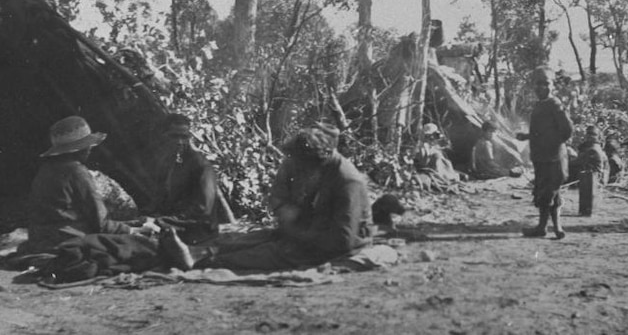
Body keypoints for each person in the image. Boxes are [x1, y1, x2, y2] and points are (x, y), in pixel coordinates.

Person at [161, 126, 374, 271]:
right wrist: (290, 227)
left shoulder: (348, 182)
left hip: (339, 245)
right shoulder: (321, 168)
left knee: (273, 252)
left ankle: (203, 261)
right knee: (260, 237)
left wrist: (296, 235)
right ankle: (196, 252)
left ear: (313, 162)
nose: (297, 173)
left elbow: (342, 241)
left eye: (301, 168)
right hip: (316, 232)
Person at [23, 116, 155, 254]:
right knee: (139, 247)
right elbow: (100, 223)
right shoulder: (76, 171)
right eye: (87, 147)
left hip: (38, 238)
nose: (89, 150)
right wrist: (132, 230)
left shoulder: (46, 169)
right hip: (65, 239)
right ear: (79, 149)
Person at [516, 67, 574, 240]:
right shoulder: (541, 105)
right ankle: (555, 228)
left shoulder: (554, 104)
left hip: (553, 157)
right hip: (543, 157)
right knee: (548, 192)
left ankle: (544, 227)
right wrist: (527, 136)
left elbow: (567, 131)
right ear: (534, 87)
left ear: (552, 86)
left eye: (546, 84)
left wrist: (552, 145)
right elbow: (542, 131)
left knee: (547, 193)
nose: (542, 87)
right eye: (539, 84)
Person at [145, 113, 219, 244]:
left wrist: (162, 221)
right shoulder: (166, 163)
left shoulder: (201, 166)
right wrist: (150, 218)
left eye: (184, 137)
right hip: (172, 224)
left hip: (196, 230)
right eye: (174, 136)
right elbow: (160, 200)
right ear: (164, 136)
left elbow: (202, 210)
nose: (180, 142)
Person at [575, 125, 610, 217]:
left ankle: (586, 211)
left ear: (597, 136)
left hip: (593, 179)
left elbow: (578, 162)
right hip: (595, 177)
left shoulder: (593, 149)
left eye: (592, 134)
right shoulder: (597, 147)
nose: (589, 136)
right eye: (588, 134)